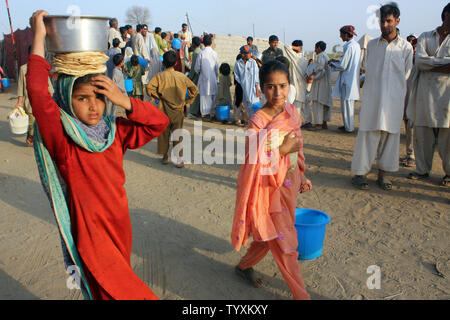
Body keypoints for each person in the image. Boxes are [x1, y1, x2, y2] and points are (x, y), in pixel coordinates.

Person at [27, 10, 169, 300]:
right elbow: (39, 96)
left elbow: (159, 123)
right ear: (67, 98)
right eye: (82, 99)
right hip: (90, 232)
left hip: (119, 224)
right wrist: (39, 38)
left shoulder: (114, 132)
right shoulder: (64, 140)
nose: (93, 107)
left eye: (99, 98)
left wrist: (124, 100)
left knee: (114, 285)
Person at [231, 60, 311, 300]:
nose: (277, 93)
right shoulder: (258, 121)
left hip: (289, 184)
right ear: (261, 88)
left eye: (283, 86)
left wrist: (302, 173)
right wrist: (282, 150)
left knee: (268, 236)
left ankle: (244, 266)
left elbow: (298, 146)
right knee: (285, 243)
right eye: (270, 87)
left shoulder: (291, 112)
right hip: (267, 190)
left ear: (290, 86)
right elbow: (254, 162)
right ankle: (301, 295)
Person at [351, 3, 413, 190]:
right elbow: (368, 70)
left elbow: (407, 74)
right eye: (382, 21)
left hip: (393, 100)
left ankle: (383, 175)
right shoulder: (371, 45)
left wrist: (393, 91)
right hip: (373, 99)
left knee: (390, 137)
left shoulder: (406, 47)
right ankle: (360, 174)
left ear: (397, 21)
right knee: (367, 135)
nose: (385, 25)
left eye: (389, 21)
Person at [407, 3, 450, 186]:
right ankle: (422, 169)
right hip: (424, 94)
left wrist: (430, 64)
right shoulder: (425, 36)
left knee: (447, 138)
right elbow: (420, 62)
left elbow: (426, 63)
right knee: (422, 135)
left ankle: (448, 173)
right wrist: (443, 65)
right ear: (447, 15)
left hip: (447, 97)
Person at [147, 50, 198, 168]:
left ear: (163, 63)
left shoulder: (159, 76)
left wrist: (158, 97)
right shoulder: (181, 76)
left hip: (163, 108)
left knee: (164, 133)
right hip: (178, 110)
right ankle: (179, 159)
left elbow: (149, 88)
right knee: (178, 133)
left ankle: (165, 156)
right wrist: (187, 101)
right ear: (175, 63)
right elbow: (194, 90)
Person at [14, 45, 54, 146]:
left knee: (42, 123)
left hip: (42, 102)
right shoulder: (23, 69)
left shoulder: (43, 68)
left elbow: (49, 85)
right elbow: (20, 87)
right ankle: (30, 137)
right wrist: (19, 102)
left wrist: (53, 98)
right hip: (29, 103)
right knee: (32, 124)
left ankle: (36, 138)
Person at [329, 25, 361, 133]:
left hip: (348, 80)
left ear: (346, 35)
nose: (340, 36)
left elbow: (343, 65)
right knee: (348, 104)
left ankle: (349, 127)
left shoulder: (350, 46)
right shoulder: (355, 45)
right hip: (350, 79)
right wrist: (336, 61)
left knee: (347, 104)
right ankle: (348, 125)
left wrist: (332, 63)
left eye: (341, 34)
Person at [400, 34, 419, 168]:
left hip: (419, 95)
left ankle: (412, 155)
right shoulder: (407, 58)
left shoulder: (419, 60)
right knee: (409, 122)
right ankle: (411, 154)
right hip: (408, 94)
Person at [284, 40, 309, 126]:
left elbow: (286, 46)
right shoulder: (304, 58)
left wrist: (296, 48)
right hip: (301, 84)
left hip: (298, 84)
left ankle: (297, 123)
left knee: (298, 103)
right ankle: (307, 121)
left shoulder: (296, 56)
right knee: (303, 103)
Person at [308, 41, 333, 130]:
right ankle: (324, 123)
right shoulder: (326, 56)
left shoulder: (321, 56)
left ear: (318, 48)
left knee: (318, 104)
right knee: (324, 104)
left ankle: (319, 124)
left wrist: (312, 75)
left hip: (320, 85)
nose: (315, 50)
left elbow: (320, 67)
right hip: (325, 84)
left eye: (315, 48)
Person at [194, 35, 219, 121]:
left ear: (203, 43)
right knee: (213, 96)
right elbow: (216, 68)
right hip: (213, 78)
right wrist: (216, 76)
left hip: (203, 77)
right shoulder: (214, 53)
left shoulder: (201, 53)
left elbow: (197, 68)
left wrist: (199, 72)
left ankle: (205, 114)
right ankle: (212, 113)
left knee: (204, 97)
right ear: (211, 42)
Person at [234, 45, 261, 120]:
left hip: (253, 89)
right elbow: (236, 76)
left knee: (255, 106)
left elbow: (256, 76)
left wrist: (257, 89)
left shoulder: (253, 63)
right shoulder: (238, 64)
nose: (250, 55)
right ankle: (252, 122)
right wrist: (242, 83)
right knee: (248, 106)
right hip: (244, 88)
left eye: (250, 53)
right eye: (248, 53)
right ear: (243, 54)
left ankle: (258, 123)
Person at [187, 37, 202, 119]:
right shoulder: (200, 51)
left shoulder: (195, 53)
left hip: (195, 76)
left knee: (194, 94)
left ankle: (193, 112)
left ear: (193, 44)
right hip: (200, 76)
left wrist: (190, 77)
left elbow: (193, 68)